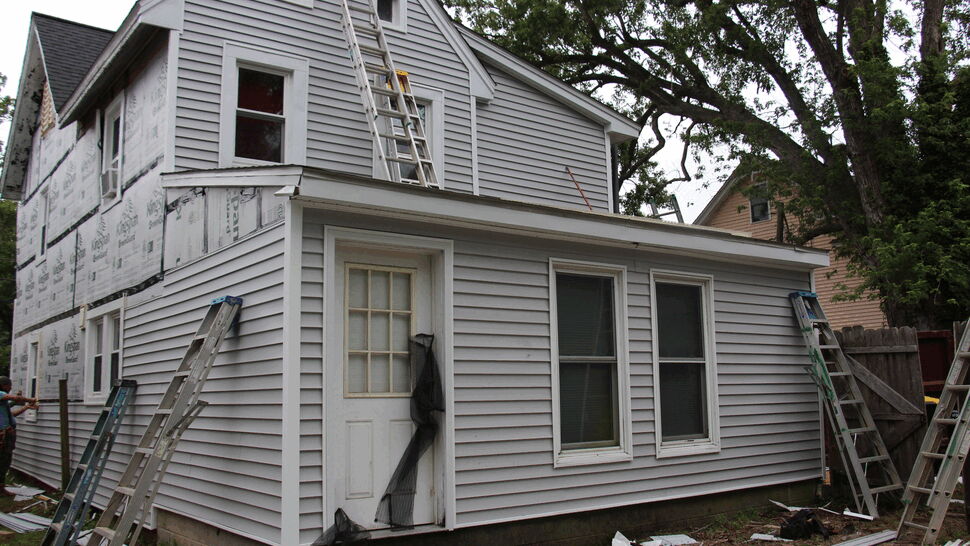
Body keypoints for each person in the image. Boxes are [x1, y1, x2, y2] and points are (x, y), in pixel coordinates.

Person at [0, 376, 39, 496]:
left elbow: (11, 414)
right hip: (2, 435)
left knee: (5, 461)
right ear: (3, 385)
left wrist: (26, 407)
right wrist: (31, 399)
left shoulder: (3, 405)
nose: (10, 388)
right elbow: (15, 397)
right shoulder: (0, 394)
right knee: (2, 460)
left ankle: (1, 488)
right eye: (9, 385)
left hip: (8, 433)